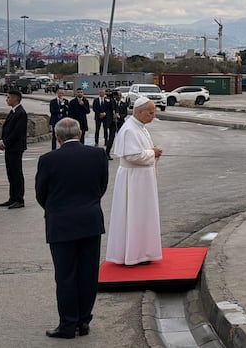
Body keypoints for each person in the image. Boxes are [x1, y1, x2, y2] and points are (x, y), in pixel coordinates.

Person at [35, 118, 108, 339]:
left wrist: (55, 208)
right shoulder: (97, 155)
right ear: (80, 133)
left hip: (61, 224)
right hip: (90, 220)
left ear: (57, 138)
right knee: (88, 273)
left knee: (66, 276)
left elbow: (41, 193)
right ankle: (84, 321)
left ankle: (68, 324)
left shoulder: (48, 159)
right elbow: (101, 186)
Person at [106, 97, 163, 266]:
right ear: (139, 112)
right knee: (134, 215)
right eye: (151, 112)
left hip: (141, 178)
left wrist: (152, 152)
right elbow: (132, 156)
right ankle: (134, 254)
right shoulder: (130, 129)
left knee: (142, 215)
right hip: (134, 180)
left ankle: (142, 252)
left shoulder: (140, 127)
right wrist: (153, 153)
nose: (153, 115)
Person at [0, 89, 28, 209]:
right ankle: (12, 197)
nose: (7, 99)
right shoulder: (13, 112)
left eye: (9, 97)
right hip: (10, 148)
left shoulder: (21, 113)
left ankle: (19, 199)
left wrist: (5, 143)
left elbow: (17, 132)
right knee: (10, 173)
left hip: (15, 148)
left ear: (15, 99)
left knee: (16, 173)